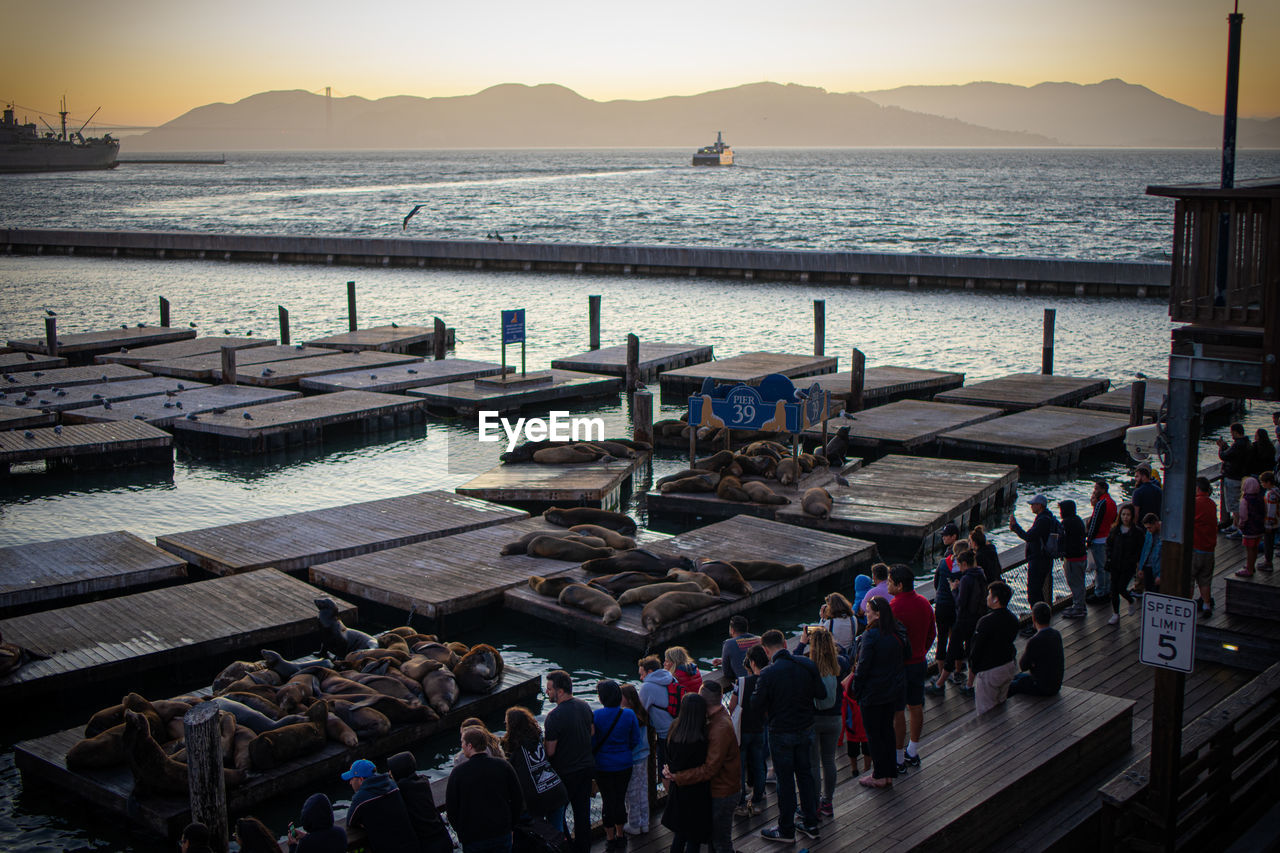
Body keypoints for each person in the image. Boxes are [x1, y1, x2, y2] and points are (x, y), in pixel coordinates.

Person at [754, 628, 824, 842]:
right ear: (785, 644)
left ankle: (786, 830)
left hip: (781, 732)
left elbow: (756, 705)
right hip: (805, 728)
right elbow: (821, 693)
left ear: (766, 651)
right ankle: (811, 823)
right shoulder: (807, 664)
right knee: (806, 775)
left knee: (785, 782)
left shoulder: (768, 673)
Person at [663, 682, 740, 853]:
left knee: (721, 843)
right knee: (709, 840)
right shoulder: (715, 719)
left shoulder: (719, 728)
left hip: (722, 793)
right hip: (717, 789)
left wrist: (677, 776)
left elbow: (709, 769)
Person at [851, 597, 906, 789]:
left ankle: (879, 775)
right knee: (887, 731)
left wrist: (857, 690)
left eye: (868, 611)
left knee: (874, 734)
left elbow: (863, 666)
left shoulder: (871, 635)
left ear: (877, 614)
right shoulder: (896, 631)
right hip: (891, 690)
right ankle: (889, 772)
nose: (866, 614)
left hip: (873, 693)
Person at [446, 727, 524, 853]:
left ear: (470, 746)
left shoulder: (458, 773)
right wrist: (511, 825)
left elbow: (452, 809)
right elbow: (518, 799)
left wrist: (462, 832)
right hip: (502, 832)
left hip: (474, 837)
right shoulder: (503, 765)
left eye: (462, 743)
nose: (462, 746)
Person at [888, 564, 934, 772]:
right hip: (919, 662)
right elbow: (932, 634)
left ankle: (898, 758)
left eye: (889, 582)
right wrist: (921, 651)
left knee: (898, 712)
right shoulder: (924, 603)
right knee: (916, 707)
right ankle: (913, 751)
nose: (887, 585)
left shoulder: (893, 609)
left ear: (899, 585)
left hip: (899, 667)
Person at [543, 669, 595, 853]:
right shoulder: (584, 706)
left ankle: (565, 848)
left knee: (557, 813)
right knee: (583, 814)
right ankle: (584, 848)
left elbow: (550, 750)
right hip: (586, 768)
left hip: (566, 772)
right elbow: (592, 732)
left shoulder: (554, 717)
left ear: (560, 691)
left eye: (549, 689)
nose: (547, 692)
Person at [925, 550, 984, 697]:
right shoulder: (981, 574)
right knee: (971, 651)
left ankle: (939, 684)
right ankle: (970, 684)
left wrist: (954, 590)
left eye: (959, 565)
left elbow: (960, 603)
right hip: (977, 618)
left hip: (963, 620)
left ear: (964, 564)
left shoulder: (966, 579)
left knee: (951, 652)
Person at [592, 679, 641, 851]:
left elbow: (592, 742)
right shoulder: (628, 714)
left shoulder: (596, 716)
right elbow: (636, 739)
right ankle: (621, 835)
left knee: (607, 800)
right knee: (619, 799)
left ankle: (610, 838)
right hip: (624, 763)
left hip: (603, 766)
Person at [660, 693, 712, 853]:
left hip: (678, 789)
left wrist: (668, 770)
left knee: (680, 834)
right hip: (698, 790)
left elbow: (668, 756)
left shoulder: (674, 729)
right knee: (694, 838)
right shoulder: (702, 736)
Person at [501, 707, 569, 829]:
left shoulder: (512, 747)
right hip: (556, 789)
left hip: (535, 799)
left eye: (506, 722)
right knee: (557, 833)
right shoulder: (538, 739)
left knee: (539, 836)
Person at [803, 626, 845, 818]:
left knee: (813, 764)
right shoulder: (841, 663)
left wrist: (802, 642)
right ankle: (827, 802)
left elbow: (791, 658)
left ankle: (814, 803)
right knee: (829, 760)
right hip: (834, 718)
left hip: (813, 720)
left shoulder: (807, 666)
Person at [343, 758, 419, 853]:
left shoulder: (360, 798)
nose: (350, 782)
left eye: (351, 779)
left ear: (361, 780)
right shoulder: (392, 784)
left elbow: (350, 822)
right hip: (411, 845)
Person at [968, 581, 1020, 716]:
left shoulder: (985, 622)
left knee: (986, 711)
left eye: (989, 595)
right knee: (1002, 704)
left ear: (996, 599)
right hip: (1007, 665)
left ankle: (991, 736)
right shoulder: (1013, 619)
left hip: (989, 670)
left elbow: (976, 649)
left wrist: (973, 670)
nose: (987, 597)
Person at [729, 644, 769, 817]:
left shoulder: (742, 682)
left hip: (742, 729)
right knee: (759, 764)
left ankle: (741, 803)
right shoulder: (768, 679)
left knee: (740, 765)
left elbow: (732, 705)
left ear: (752, 663)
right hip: (760, 727)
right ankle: (759, 799)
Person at [387, 753, 454, 853]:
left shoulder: (401, 790)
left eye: (391, 770)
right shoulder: (423, 782)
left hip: (427, 845)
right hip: (442, 837)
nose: (389, 773)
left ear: (399, 771)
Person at [1010, 494, 1057, 630]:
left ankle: (1037, 624)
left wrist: (1015, 527)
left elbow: (1029, 536)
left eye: (1033, 504)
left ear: (1040, 506)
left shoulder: (1043, 520)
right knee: (1038, 592)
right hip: (1044, 560)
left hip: (1039, 561)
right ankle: (1041, 620)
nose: (1031, 506)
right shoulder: (1046, 517)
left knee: (1033, 593)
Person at [1009, 603, 1064, 697]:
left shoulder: (1035, 640)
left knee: (1010, 685)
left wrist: (1033, 663)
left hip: (1041, 686)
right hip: (1055, 684)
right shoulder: (1056, 634)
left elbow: (1023, 665)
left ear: (1033, 619)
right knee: (1018, 678)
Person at [618, 683, 651, 836]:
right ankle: (645, 823)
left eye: (621, 697)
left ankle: (634, 824)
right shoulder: (642, 713)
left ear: (628, 700)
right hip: (644, 756)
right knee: (643, 790)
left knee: (631, 793)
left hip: (634, 758)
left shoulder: (629, 716)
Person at [637, 655, 677, 775]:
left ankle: (670, 794)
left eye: (642, 674)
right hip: (680, 728)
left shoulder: (647, 687)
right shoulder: (671, 678)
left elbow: (640, 711)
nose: (641, 677)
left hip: (665, 735)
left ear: (650, 672)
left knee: (665, 773)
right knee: (678, 768)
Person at [1106, 503, 1144, 626]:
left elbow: (1139, 550)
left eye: (1128, 515)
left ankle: (1130, 600)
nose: (1125, 517)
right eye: (1123, 514)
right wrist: (1109, 557)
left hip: (1128, 565)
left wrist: (1135, 562)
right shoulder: (1115, 530)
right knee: (1113, 589)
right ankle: (1116, 613)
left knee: (1121, 587)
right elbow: (1109, 545)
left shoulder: (1137, 532)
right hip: (1115, 563)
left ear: (1132, 516)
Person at [930, 531, 961, 671]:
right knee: (957, 639)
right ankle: (958, 670)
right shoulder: (963, 569)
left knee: (941, 639)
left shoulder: (943, 563)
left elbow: (936, 582)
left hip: (942, 604)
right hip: (956, 605)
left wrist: (941, 594)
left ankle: (941, 672)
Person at [1085, 480, 1118, 604]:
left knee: (1100, 568)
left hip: (1099, 539)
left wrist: (1089, 539)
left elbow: (1095, 523)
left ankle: (1100, 593)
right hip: (1108, 538)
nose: (1095, 491)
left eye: (1097, 489)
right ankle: (1107, 590)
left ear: (1103, 489)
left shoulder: (1101, 503)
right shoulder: (1112, 503)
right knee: (1106, 567)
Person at [1218, 423, 1251, 534]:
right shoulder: (1246, 443)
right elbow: (1232, 454)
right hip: (1242, 477)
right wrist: (1226, 447)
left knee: (1234, 504)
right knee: (1240, 502)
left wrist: (1221, 448)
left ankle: (1237, 526)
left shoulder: (1238, 445)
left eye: (1232, 432)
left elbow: (1224, 456)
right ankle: (1235, 524)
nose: (1231, 434)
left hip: (1233, 477)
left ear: (1236, 432)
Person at [1193, 477, 1219, 615]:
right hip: (1209, 549)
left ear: (1197, 489)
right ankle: (1207, 605)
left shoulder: (1195, 503)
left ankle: (1188, 607)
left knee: (1189, 579)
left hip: (1195, 548)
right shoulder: (1212, 504)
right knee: (1205, 580)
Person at [1059, 500, 1088, 618]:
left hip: (1072, 559)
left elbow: (1062, 538)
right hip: (1082, 556)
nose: (1060, 513)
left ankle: (1079, 608)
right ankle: (1079, 605)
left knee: (1075, 584)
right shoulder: (1078, 520)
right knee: (1080, 583)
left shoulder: (1066, 523)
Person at [714, 615, 760, 683]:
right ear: (747, 628)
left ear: (732, 630)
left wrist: (729, 661)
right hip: (765, 681)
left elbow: (727, 673)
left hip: (747, 684)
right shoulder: (759, 639)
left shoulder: (729, 644)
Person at [1236, 477, 1266, 578]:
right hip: (1259, 527)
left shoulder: (1245, 500)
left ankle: (1249, 569)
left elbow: (1243, 516)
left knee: (1249, 549)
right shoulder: (1260, 498)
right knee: (1255, 548)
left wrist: (1240, 525)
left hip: (1249, 528)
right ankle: (1251, 565)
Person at [1137, 512, 1162, 594]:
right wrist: (1141, 567)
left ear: (1156, 524)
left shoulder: (1164, 535)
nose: (1148, 530)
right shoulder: (1149, 532)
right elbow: (1145, 550)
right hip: (1148, 566)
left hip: (1157, 567)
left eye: (1150, 528)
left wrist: (1160, 575)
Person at [1131, 463, 1163, 528]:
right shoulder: (1159, 490)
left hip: (1143, 526)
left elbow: (1136, 514)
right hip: (1156, 526)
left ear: (1144, 476)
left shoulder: (1138, 492)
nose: (1135, 479)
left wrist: (1133, 528)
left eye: (1137, 476)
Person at [1261, 471, 1279, 572]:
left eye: (1263, 482)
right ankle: (1268, 561)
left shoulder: (1271, 494)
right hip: (1276, 521)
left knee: (1268, 543)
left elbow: (1271, 510)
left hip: (1271, 523)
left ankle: (1268, 562)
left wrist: (1268, 524)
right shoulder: (1276, 491)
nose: (1262, 484)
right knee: (1269, 542)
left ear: (1268, 482)